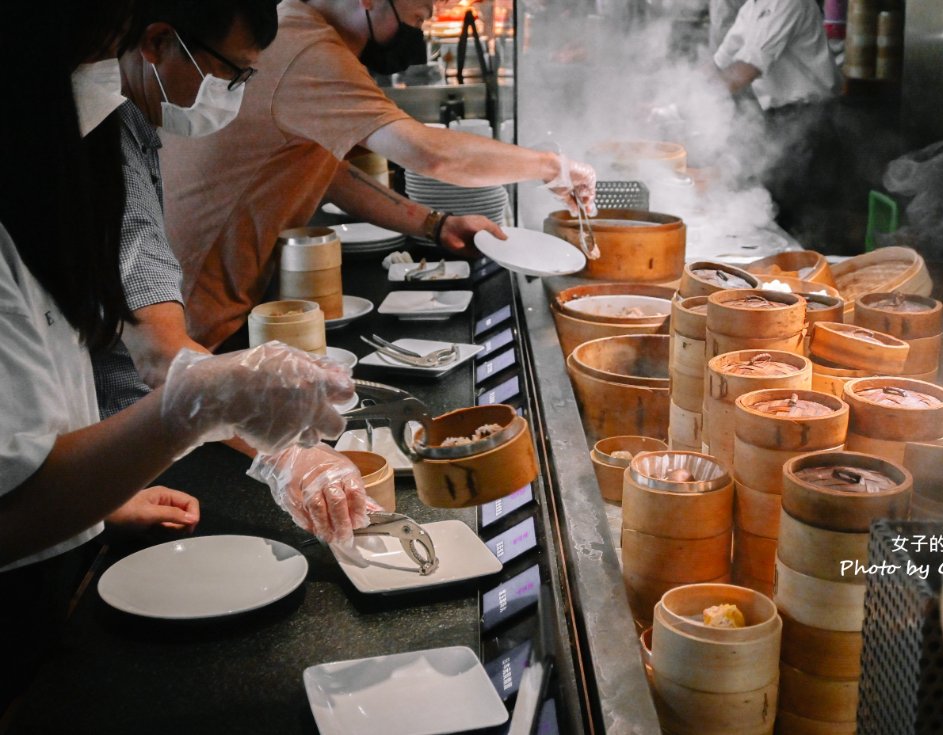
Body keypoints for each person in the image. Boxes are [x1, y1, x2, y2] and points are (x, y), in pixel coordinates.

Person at [0, 0, 359, 708]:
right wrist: (198, 407)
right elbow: (14, 514)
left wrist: (99, 497)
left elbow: (33, 441)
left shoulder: (103, 129)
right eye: (231, 75)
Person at [89, 0, 375, 546]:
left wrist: (104, 499)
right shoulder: (100, 139)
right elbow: (160, 356)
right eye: (228, 71)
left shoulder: (131, 121)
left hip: (107, 467)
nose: (234, 92)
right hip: (94, 449)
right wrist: (290, 454)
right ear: (156, 43)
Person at [161, 0, 598, 350]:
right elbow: (430, 156)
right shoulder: (309, 52)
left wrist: (435, 224)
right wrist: (550, 167)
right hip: (182, 315)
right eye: (417, 16)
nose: (420, 30)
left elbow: (324, 171)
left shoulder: (299, 27)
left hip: (194, 303)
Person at [709, 0, 842, 233]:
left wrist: (694, 100)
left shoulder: (788, 3)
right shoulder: (753, 6)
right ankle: (783, 265)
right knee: (779, 210)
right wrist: (673, 96)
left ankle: (815, 264)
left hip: (809, 121)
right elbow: (719, 62)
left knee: (805, 218)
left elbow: (747, 69)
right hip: (779, 119)